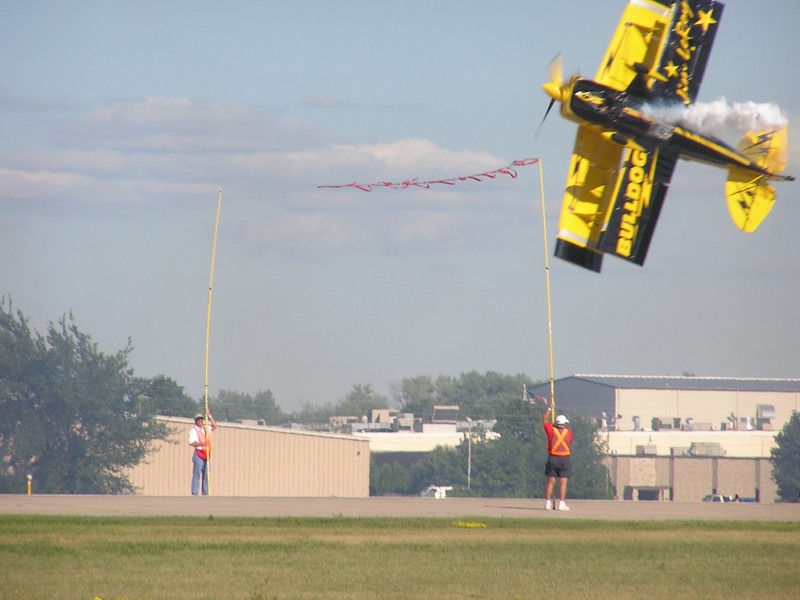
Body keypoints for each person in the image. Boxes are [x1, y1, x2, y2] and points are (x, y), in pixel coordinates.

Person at [542, 407, 573, 511]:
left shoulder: (551, 430)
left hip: (553, 458)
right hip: (564, 459)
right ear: (564, 424)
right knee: (563, 482)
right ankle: (562, 504)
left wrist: (549, 409)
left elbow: (544, 420)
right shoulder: (569, 432)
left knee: (550, 481)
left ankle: (547, 503)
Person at [189, 412, 218, 496]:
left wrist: (209, 416)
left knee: (206, 476)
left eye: (201, 419)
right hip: (199, 454)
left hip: (206, 454)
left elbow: (215, 426)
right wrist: (202, 444)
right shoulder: (193, 431)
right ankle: (195, 493)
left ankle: (205, 494)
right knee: (197, 474)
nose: (200, 421)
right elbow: (191, 442)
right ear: (195, 421)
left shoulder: (206, 429)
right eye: (198, 420)